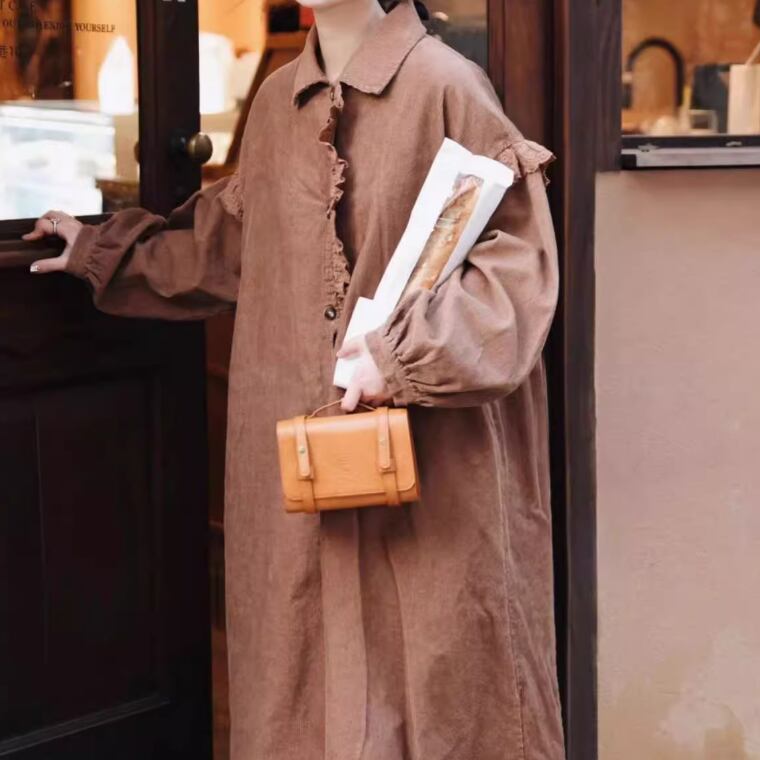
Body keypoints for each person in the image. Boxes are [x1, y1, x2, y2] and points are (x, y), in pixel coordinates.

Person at [25, 0, 565, 757]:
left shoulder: (446, 84)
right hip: (300, 452)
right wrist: (98, 251)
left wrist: (401, 356)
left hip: (429, 459)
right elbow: (227, 243)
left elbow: (516, 272)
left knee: (432, 665)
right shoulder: (280, 100)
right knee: (300, 670)